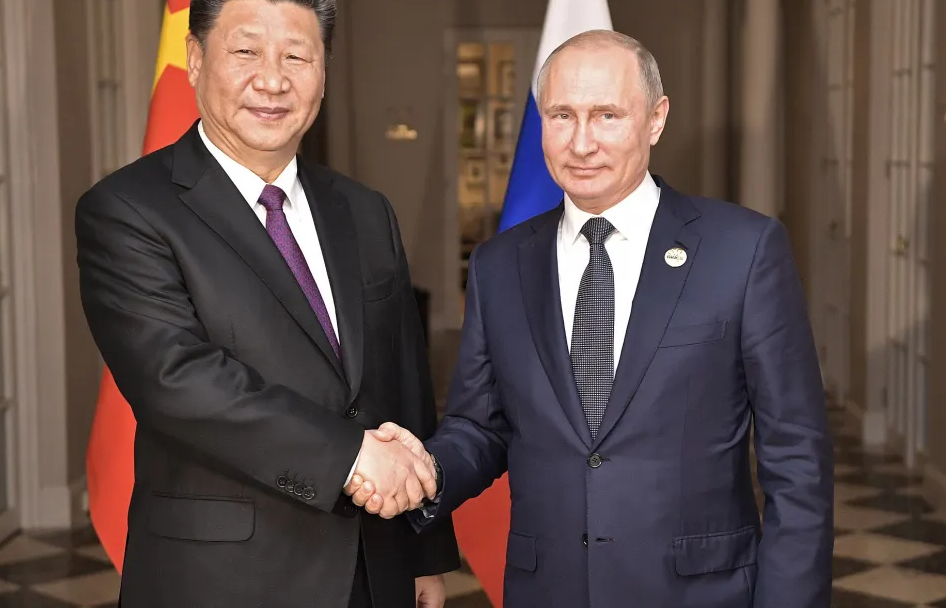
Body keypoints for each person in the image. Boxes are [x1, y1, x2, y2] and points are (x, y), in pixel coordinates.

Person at [347, 30, 834, 607]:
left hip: (702, 592)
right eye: (562, 115)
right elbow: (483, 426)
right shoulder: (499, 265)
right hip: (547, 590)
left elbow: (797, 461)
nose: (582, 142)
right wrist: (424, 467)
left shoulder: (744, 250)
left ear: (655, 120)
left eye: (607, 114)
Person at [75, 0, 458, 608]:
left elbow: (402, 380)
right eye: (246, 51)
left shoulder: (365, 211)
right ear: (195, 60)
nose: (272, 82)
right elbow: (179, 380)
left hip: (374, 567)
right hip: (221, 578)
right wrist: (349, 457)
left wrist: (424, 550)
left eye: (297, 58)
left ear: (324, 74)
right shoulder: (128, 210)